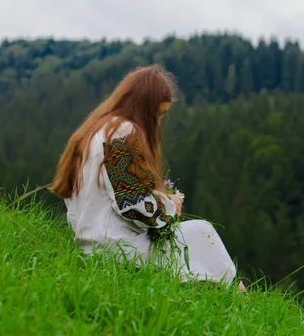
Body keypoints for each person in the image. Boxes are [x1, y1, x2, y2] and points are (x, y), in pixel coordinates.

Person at [49, 65, 241, 289]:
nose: (158, 122)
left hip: (91, 242)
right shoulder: (122, 133)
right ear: (144, 108)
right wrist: (169, 206)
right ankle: (235, 296)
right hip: (115, 248)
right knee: (203, 231)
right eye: (158, 114)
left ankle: (225, 292)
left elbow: (117, 191)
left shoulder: (96, 129)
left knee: (197, 238)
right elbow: (132, 205)